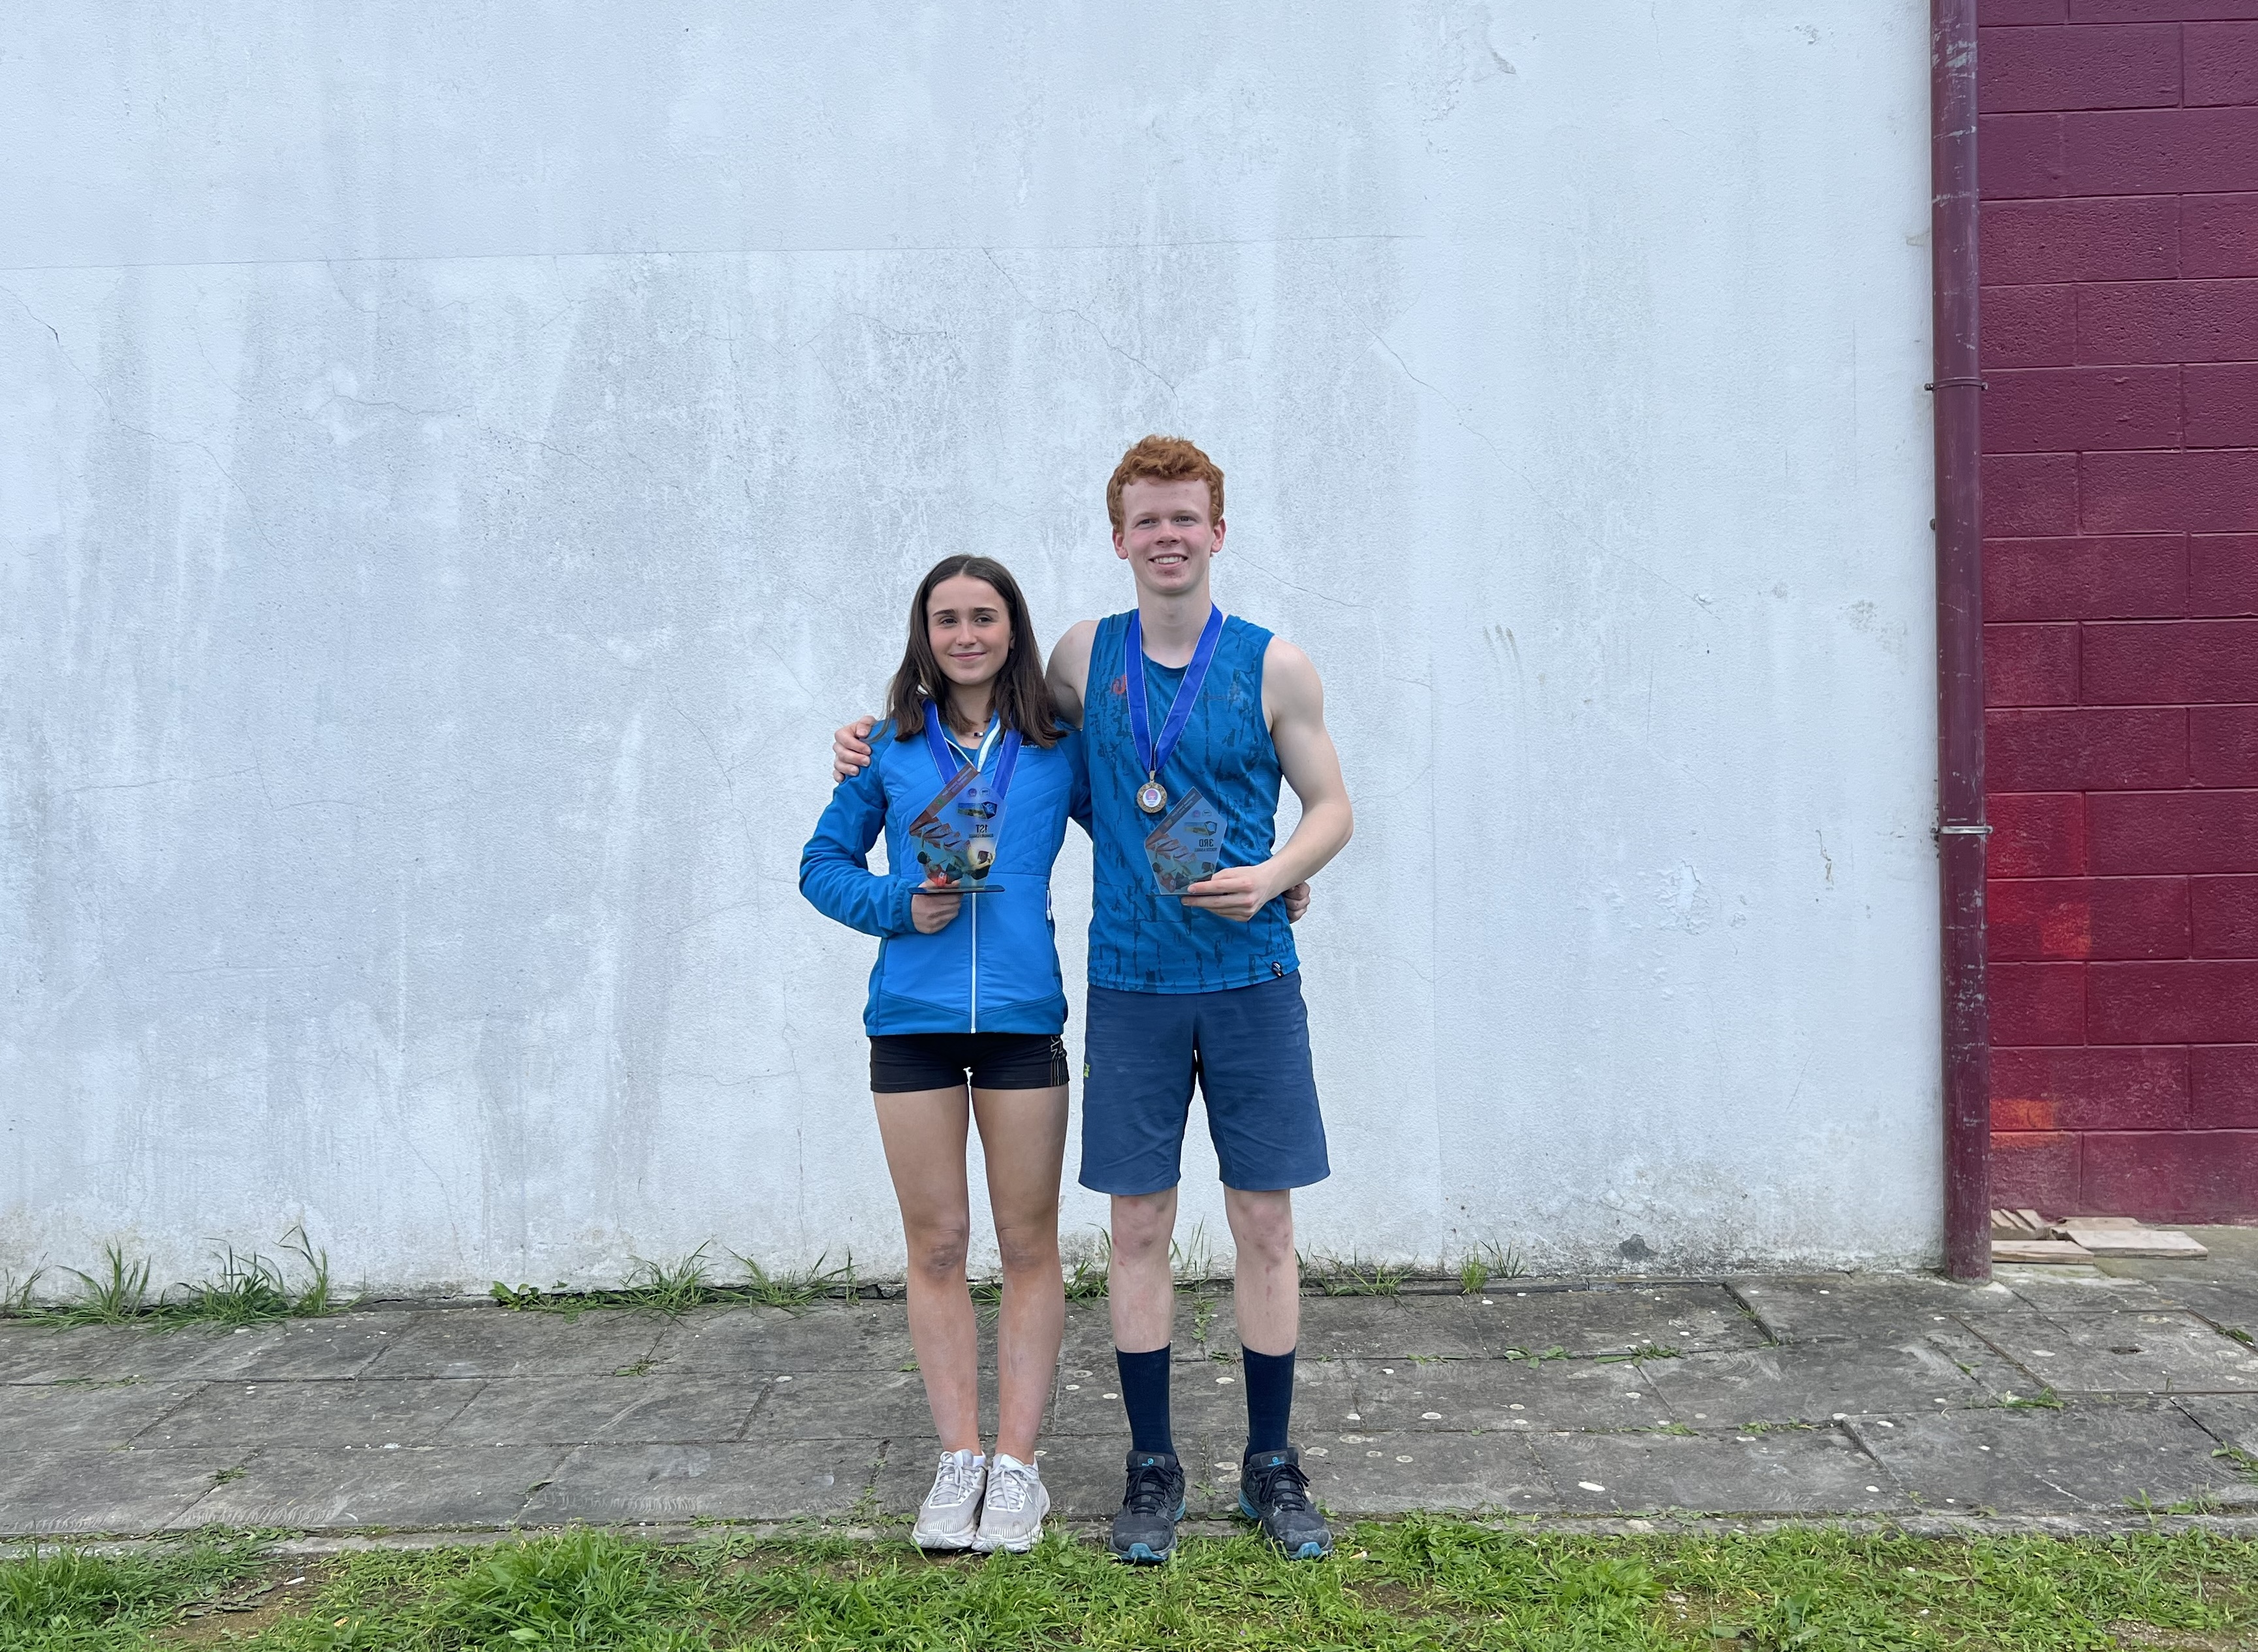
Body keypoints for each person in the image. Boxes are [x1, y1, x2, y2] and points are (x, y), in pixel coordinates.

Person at [833, 436, 1354, 1563]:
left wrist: (1278, 872)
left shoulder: (1276, 664)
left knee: (1265, 1224)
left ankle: (1271, 1464)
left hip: (1252, 977)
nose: (1167, 536)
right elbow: (1017, 747)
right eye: (1146, 519)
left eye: (1185, 517)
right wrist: (870, 741)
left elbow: (1328, 806)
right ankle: (1150, 1466)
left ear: (1218, 530)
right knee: (1137, 1227)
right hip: (1128, 986)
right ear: (1118, 537)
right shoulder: (1080, 656)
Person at [799, 554, 1089, 1555]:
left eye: (983, 616)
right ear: (924, 634)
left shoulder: (1056, 747)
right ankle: (958, 1454)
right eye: (946, 619)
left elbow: (1149, 836)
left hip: (1020, 1020)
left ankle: (1018, 1466)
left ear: (1013, 629)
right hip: (910, 1024)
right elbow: (820, 866)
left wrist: (1267, 875)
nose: (965, 635)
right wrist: (897, 904)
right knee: (935, 1244)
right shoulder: (886, 746)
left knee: (1027, 1243)